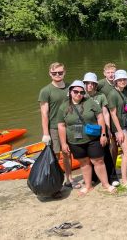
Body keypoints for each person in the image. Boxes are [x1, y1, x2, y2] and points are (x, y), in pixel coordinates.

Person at [57, 80, 115, 196]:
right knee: (84, 163)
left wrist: (103, 134)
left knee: (98, 161)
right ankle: (88, 186)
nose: (79, 94)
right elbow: (61, 125)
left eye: (81, 92)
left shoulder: (91, 102)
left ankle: (105, 184)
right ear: (70, 91)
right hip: (75, 141)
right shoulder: (63, 106)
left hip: (93, 138)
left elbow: (100, 117)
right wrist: (63, 143)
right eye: (75, 91)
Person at [38, 62, 77, 193]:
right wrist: (45, 133)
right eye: (54, 73)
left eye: (60, 72)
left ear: (64, 72)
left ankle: (69, 179)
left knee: (67, 153)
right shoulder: (45, 91)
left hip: (70, 126)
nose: (57, 75)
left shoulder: (71, 87)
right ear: (50, 74)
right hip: (54, 128)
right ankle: (54, 181)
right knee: (54, 155)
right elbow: (44, 113)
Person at [83, 72, 118, 186]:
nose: (90, 85)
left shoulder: (101, 96)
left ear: (95, 84)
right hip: (87, 131)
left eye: (92, 83)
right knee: (89, 156)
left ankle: (112, 177)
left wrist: (107, 128)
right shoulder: (81, 96)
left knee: (105, 153)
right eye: (87, 83)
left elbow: (105, 113)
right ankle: (93, 177)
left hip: (100, 128)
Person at [107, 69, 127, 187]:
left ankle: (123, 173)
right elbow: (113, 114)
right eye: (120, 80)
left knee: (125, 152)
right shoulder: (112, 94)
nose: (122, 81)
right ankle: (124, 180)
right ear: (116, 81)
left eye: (124, 79)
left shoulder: (125, 92)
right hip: (120, 127)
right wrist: (119, 131)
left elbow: (126, 107)